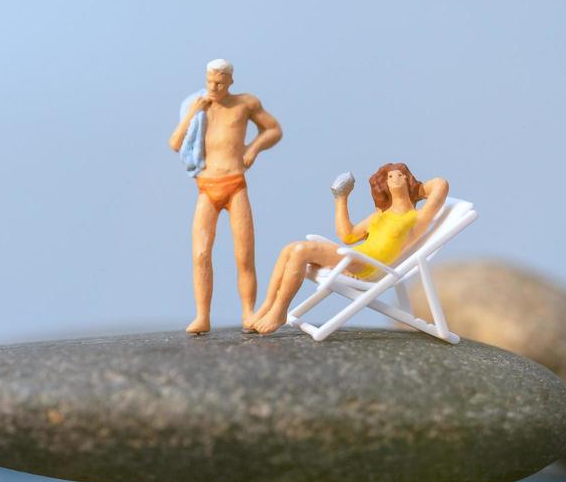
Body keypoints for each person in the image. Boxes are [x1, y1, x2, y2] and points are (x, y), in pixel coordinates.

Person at [245, 163, 449, 335]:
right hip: (355, 257)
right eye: (390, 176)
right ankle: (267, 305)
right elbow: (348, 235)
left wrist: (417, 190)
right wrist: (341, 198)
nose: (395, 178)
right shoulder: (379, 216)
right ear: (384, 183)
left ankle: (280, 311)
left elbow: (440, 185)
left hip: (366, 266)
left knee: (300, 251)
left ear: (408, 180)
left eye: (401, 175)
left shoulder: (417, 218)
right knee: (289, 248)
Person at [168, 59, 283, 334]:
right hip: (207, 187)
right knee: (200, 253)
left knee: (244, 253)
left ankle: (248, 312)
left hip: (235, 184)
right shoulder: (197, 106)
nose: (214, 87)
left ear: (230, 81)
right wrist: (193, 112)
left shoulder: (245, 104)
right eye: (209, 81)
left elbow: (274, 129)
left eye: (219, 82)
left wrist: (253, 149)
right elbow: (174, 143)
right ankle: (202, 316)